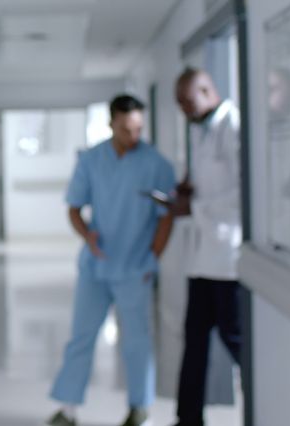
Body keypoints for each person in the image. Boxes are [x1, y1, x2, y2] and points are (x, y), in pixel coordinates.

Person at [46, 95, 175, 426]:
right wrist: (86, 235)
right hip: (96, 265)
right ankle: (69, 408)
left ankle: (139, 409)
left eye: (138, 129)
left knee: (137, 341)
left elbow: (166, 217)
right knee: (81, 336)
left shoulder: (156, 164)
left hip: (135, 267)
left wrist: (153, 258)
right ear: (111, 124)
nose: (133, 136)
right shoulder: (91, 159)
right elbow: (74, 208)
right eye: (125, 129)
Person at [166, 68, 242, 426]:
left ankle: (264, 406)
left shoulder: (233, 126)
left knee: (236, 341)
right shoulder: (201, 129)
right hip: (202, 260)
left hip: (228, 260)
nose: (183, 110)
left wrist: (193, 208)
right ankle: (188, 419)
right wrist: (188, 189)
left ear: (207, 90)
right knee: (194, 341)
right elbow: (209, 183)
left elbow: (244, 192)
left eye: (186, 101)